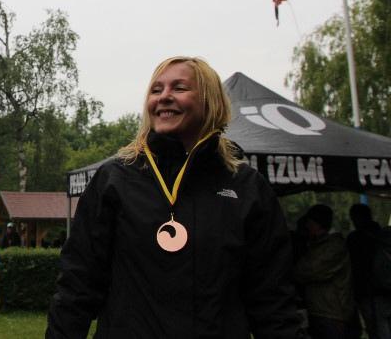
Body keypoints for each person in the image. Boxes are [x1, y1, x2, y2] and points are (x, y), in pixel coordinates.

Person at [46, 56, 300, 338]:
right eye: (156, 90)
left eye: (179, 88)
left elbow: (273, 300)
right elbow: (77, 286)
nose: (164, 96)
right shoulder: (114, 180)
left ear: (211, 101)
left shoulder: (247, 187)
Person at [294, 204, 355, 339]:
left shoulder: (333, 246)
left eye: (309, 222)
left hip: (332, 314)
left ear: (317, 224)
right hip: (321, 311)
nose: (307, 226)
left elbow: (308, 270)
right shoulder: (317, 246)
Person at [347, 203, 391, 339]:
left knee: (379, 332)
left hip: (369, 295)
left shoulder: (355, 239)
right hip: (387, 291)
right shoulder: (384, 236)